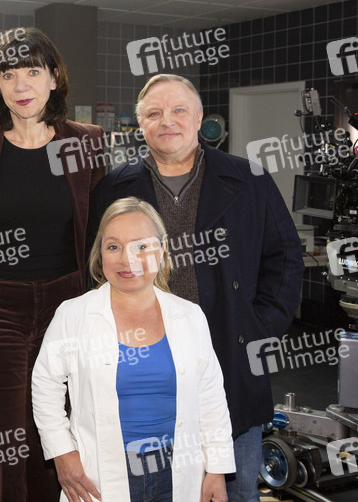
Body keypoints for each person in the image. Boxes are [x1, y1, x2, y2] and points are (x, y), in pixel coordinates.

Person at [88, 74, 304, 502]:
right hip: (146, 365)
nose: (167, 121)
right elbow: (96, 267)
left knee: (234, 491)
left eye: (179, 110)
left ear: (200, 117)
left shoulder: (248, 179)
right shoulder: (114, 187)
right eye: (154, 113)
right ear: (141, 124)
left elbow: (285, 259)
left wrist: (258, 327)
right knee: (152, 490)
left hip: (231, 359)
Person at [0, 26, 105, 501]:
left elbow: (100, 226)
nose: (21, 86)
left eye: (32, 72)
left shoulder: (86, 142)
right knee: (2, 444)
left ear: (54, 78)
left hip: (67, 305)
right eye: (8, 75)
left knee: (54, 437)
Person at [32, 197, 235, 502]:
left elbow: (211, 396)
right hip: (100, 475)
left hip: (177, 472)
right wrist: (63, 454)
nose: (127, 260)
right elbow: (45, 386)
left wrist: (217, 469)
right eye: (114, 246)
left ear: (162, 250)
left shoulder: (190, 316)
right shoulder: (73, 315)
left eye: (141, 246)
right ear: (100, 254)